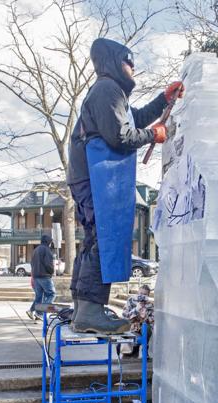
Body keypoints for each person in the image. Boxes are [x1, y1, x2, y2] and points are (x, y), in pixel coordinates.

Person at [68, 37, 184, 334]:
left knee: (94, 237)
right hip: (96, 175)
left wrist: (163, 100)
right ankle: (91, 311)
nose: (132, 68)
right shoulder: (107, 89)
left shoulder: (110, 92)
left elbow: (134, 120)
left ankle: (83, 305)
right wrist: (154, 135)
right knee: (102, 237)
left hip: (87, 175)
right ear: (114, 62)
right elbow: (122, 137)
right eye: (128, 62)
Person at [26, 234, 56, 321]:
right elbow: (48, 264)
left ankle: (31, 310)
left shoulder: (36, 250)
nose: (51, 244)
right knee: (51, 294)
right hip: (44, 276)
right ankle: (40, 313)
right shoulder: (46, 250)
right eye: (50, 242)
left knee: (39, 296)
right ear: (48, 242)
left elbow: (32, 263)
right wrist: (51, 272)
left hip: (36, 276)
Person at [119, 284, 154, 358]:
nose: (142, 296)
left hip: (143, 327)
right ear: (138, 292)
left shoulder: (150, 305)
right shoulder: (131, 300)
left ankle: (145, 350)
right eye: (141, 293)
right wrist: (136, 310)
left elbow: (152, 320)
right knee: (129, 355)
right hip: (131, 326)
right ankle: (130, 351)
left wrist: (145, 316)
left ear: (148, 295)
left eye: (145, 294)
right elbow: (125, 315)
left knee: (147, 329)